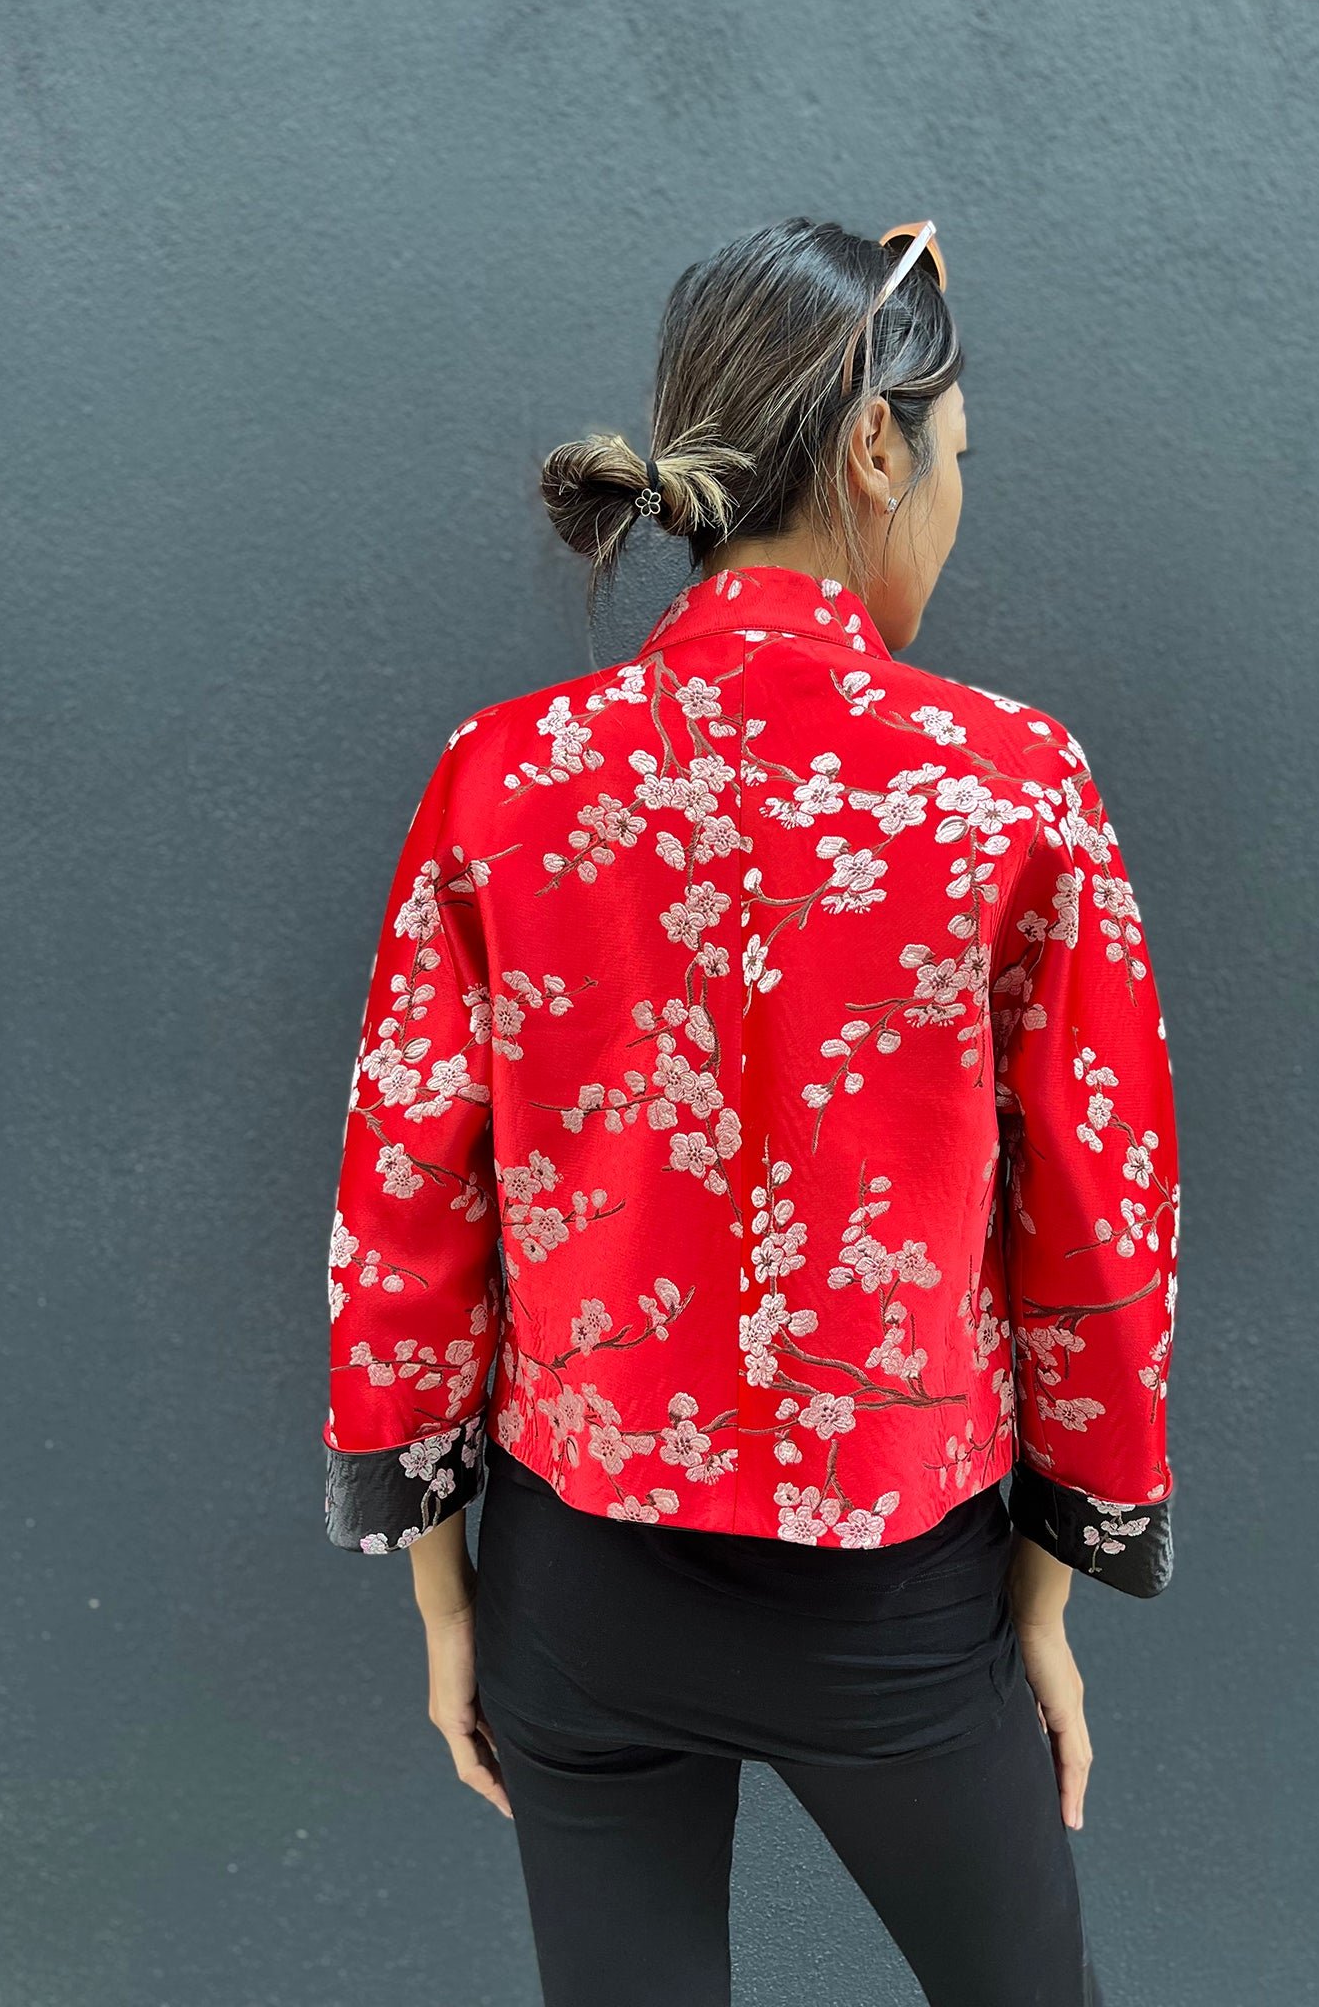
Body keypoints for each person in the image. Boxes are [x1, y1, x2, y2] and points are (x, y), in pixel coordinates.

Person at [321, 216, 1181, 2006]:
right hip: (896, 1598)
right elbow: (1099, 1210)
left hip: (576, 1589)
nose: (957, 502)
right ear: (874, 447)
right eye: (956, 456)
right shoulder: (1010, 785)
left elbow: (407, 1188)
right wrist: (1048, 1595)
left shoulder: (507, 774)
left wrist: (445, 1598)